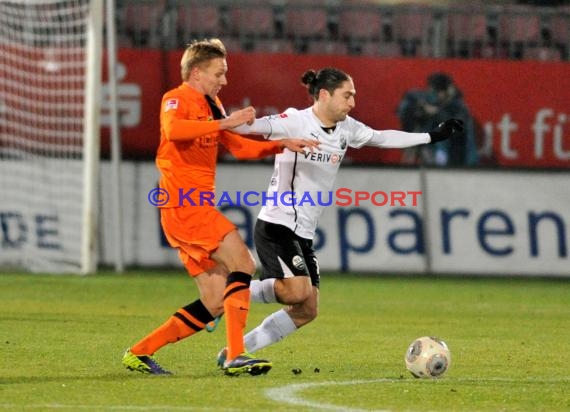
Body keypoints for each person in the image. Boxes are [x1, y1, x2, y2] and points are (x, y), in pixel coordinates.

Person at [215, 67, 463, 365]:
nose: (352, 103)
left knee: (307, 310)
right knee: (297, 291)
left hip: (304, 233)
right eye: (347, 95)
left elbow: (382, 138)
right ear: (324, 95)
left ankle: (234, 349)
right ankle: (227, 292)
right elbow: (246, 129)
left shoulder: (347, 129)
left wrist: (432, 136)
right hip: (277, 223)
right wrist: (229, 119)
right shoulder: (295, 120)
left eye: (353, 96)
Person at [121, 38, 317, 377]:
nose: (223, 81)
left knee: (213, 302)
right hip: (183, 204)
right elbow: (174, 130)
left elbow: (237, 147)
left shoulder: (212, 104)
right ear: (196, 72)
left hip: (192, 208)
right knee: (243, 261)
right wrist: (227, 121)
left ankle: (139, 352)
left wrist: (279, 144)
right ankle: (235, 354)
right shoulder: (176, 98)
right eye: (218, 74)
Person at [397, 72, 478, 167]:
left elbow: (456, 126)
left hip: (460, 161)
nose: (434, 95)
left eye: (436, 91)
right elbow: (404, 108)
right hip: (438, 154)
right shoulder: (433, 102)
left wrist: (436, 112)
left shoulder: (458, 107)